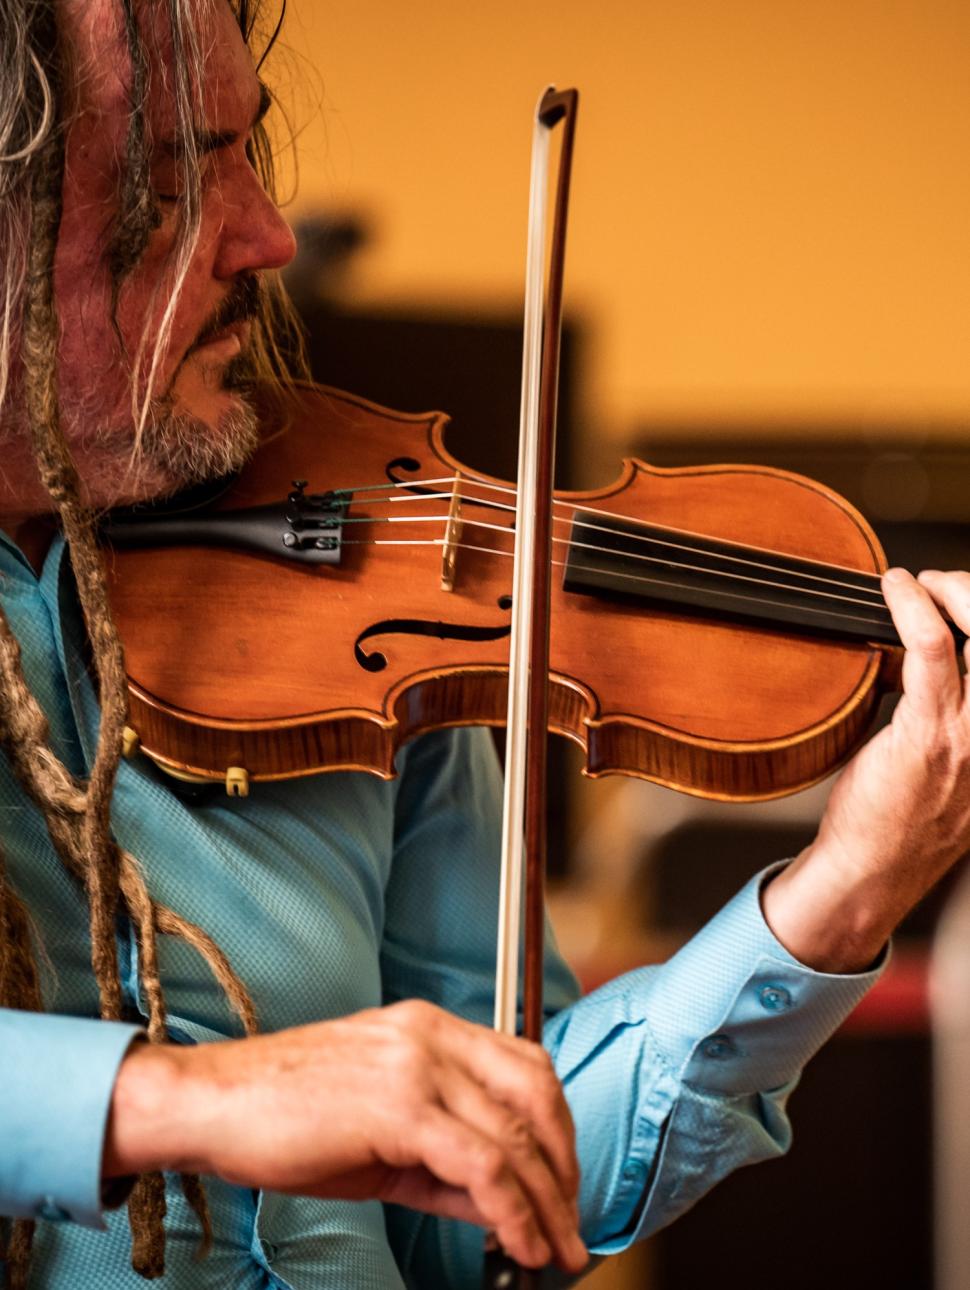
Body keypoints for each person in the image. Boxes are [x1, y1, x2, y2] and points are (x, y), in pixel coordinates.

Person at [1, 1, 968, 1287]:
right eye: (169, 189)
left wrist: (847, 888)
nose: (268, 233)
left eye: (248, 152)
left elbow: (490, 1189)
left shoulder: (367, 608)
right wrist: (183, 1101)